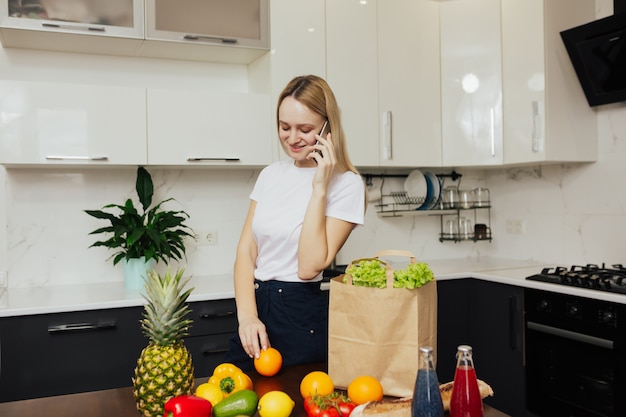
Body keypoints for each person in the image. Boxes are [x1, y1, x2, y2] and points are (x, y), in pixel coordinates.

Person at [223, 75, 366, 371]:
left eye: (305, 129)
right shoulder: (270, 175)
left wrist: (319, 188)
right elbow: (245, 253)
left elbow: (309, 267)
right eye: (284, 127)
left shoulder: (347, 185)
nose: (292, 138)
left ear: (328, 128)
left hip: (300, 315)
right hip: (257, 308)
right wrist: (247, 317)